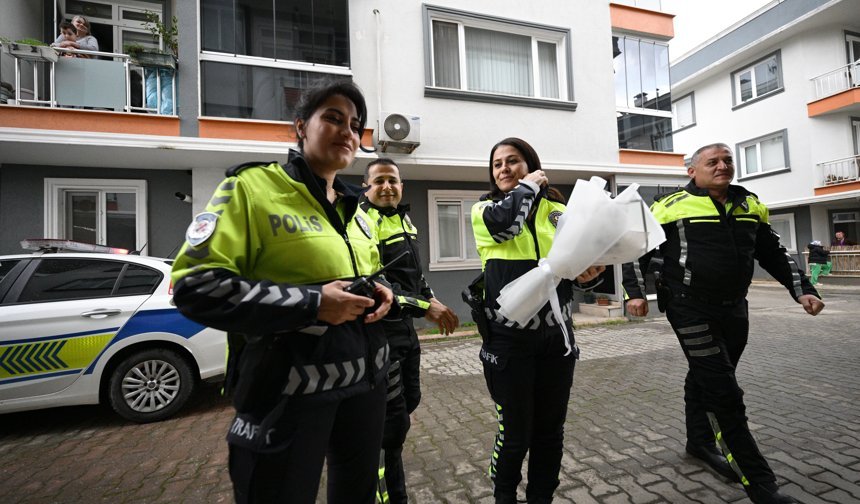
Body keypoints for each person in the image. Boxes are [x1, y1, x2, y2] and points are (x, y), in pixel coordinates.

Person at [170, 80, 394, 503]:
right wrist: (312, 304)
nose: (347, 131)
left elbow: (357, 275)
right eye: (332, 117)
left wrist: (381, 291)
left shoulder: (357, 210)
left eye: (355, 124)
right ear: (300, 127)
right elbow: (194, 286)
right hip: (288, 393)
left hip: (367, 384)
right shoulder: (251, 189)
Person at [622, 143, 824, 504]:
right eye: (712, 161)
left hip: (735, 309)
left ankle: (698, 442)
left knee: (707, 373)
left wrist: (802, 290)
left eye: (727, 160)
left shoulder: (751, 205)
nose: (722, 166)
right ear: (692, 171)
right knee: (724, 392)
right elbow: (636, 250)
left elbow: (774, 254)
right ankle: (761, 486)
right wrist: (635, 293)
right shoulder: (668, 208)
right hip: (687, 307)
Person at [471, 137, 604, 503]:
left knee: (550, 432)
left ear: (530, 163)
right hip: (508, 340)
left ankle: (541, 496)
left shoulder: (558, 210)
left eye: (512, 161)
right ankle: (504, 495)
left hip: (557, 339)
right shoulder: (484, 210)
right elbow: (506, 226)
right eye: (497, 164)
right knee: (515, 433)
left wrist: (590, 275)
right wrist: (527, 187)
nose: (504, 169)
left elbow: (577, 267)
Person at [360, 158, 459, 502]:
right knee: (389, 422)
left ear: (401, 185)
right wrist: (424, 307)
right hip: (378, 334)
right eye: (379, 181)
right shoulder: (362, 223)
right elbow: (374, 284)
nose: (387, 186)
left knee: (408, 402)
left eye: (393, 180)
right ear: (366, 187)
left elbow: (414, 277)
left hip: (406, 332)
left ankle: (389, 465)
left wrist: (431, 298)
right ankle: (386, 492)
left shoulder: (404, 219)